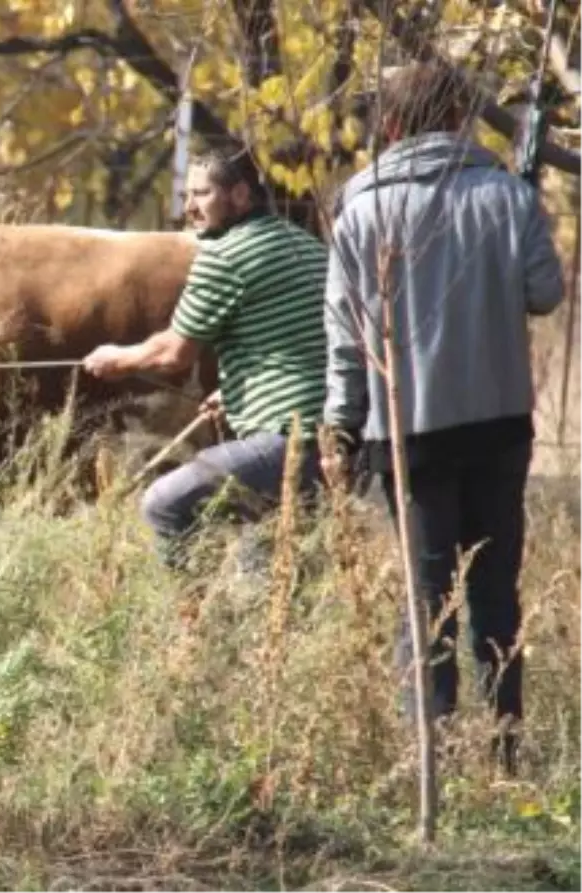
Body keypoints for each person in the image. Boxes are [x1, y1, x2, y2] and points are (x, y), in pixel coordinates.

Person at [321, 60, 565, 774]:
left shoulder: (359, 210)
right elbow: (546, 294)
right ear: (460, 118)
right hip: (498, 422)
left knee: (425, 596)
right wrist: (524, 205)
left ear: (391, 126)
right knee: (495, 589)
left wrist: (343, 420)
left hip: (406, 431)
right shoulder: (504, 194)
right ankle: (504, 751)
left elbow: (344, 331)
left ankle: (429, 757)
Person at [83, 138, 330, 574]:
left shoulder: (224, 254)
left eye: (202, 194)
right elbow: (296, 340)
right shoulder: (304, 246)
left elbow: (174, 353)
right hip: (333, 437)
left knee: (163, 505)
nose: (190, 207)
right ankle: (252, 637)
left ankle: (189, 626)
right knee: (266, 563)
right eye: (187, 195)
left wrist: (116, 359)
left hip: (284, 436)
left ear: (239, 194)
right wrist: (233, 393)